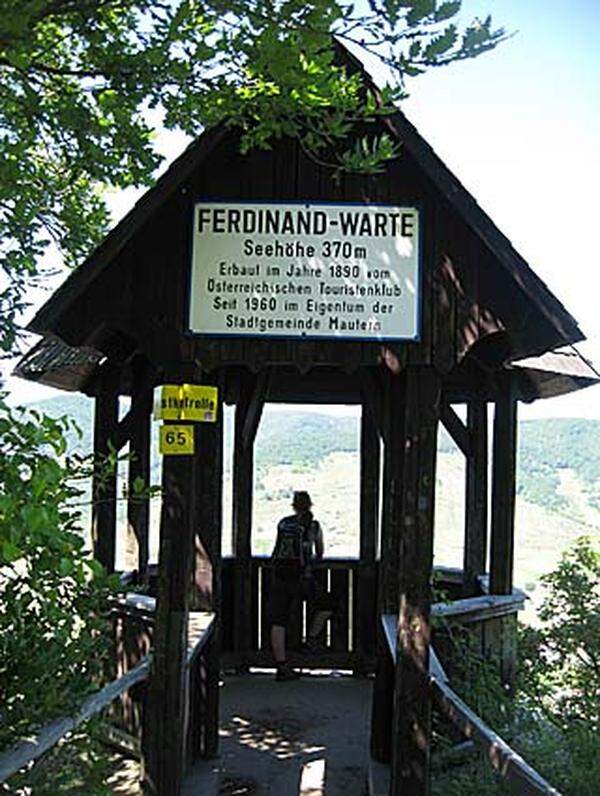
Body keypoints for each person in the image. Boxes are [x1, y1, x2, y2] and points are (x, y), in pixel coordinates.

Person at [269, 491, 333, 681]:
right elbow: (319, 552)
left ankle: (281, 666)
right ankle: (311, 639)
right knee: (328, 605)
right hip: (302, 578)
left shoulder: (283, 523)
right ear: (310, 505)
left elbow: (276, 550)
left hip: (280, 577)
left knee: (278, 621)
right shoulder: (313, 526)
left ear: (293, 505)